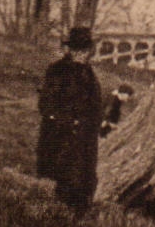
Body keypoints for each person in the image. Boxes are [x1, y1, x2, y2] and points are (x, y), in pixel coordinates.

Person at [38, 27, 105, 212]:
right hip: (62, 136)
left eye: (85, 50)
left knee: (84, 183)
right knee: (64, 182)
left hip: (85, 138)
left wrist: (94, 122)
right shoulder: (57, 71)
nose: (82, 54)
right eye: (78, 50)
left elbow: (96, 105)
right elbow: (46, 104)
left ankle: (78, 217)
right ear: (70, 50)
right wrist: (68, 121)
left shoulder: (89, 73)